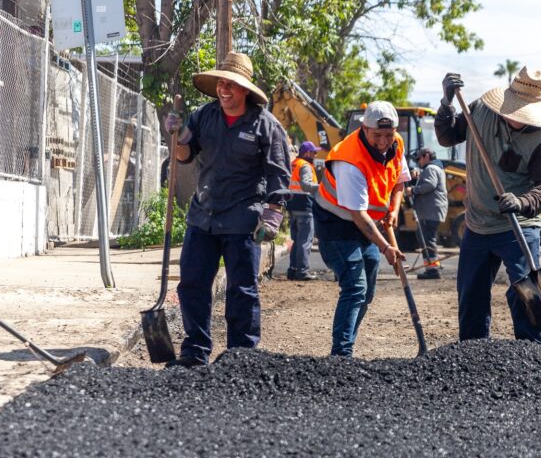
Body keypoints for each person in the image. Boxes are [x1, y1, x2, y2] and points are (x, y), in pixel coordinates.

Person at [164, 52, 292, 367]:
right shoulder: (203, 116)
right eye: (221, 83)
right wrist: (177, 135)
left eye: (231, 85)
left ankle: (241, 356)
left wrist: (273, 215)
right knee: (192, 283)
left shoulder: (266, 125)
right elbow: (184, 156)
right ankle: (195, 352)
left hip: (243, 218)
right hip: (203, 216)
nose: (224, 90)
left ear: (245, 89)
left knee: (241, 289)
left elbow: (279, 173)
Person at [435, 67, 541, 345]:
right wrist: (446, 104)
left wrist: (522, 201)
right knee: (471, 296)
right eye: (510, 109)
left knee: (525, 293)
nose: (511, 116)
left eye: (519, 112)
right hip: (478, 225)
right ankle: (473, 353)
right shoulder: (478, 111)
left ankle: (533, 354)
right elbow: (447, 137)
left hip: (519, 226)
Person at [313, 100, 411, 357]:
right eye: (377, 135)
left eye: (388, 135)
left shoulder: (396, 144)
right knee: (355, 287)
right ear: (364, 129)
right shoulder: (349, 158)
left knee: (367, 292)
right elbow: (357, 214)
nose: (383, 141)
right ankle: (341, 354)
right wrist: (387, 247)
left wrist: (394, 210)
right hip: (336, 224)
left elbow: (399, 181)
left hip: (368, 222)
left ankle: (346, 346)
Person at [405, 147, 448, 279]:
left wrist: (413, 190)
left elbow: (429, 184)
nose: (418, 162)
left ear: (426, 156)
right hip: (432, 211)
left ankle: (432, 269)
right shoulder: (434, 168)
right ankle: (432, 266)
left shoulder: (431, 169)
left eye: (419, 159)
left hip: (430, 211)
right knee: (426, 238)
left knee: (427, 240)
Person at [287, 141, 321, 280]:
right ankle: (302, 271)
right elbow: (306, 185)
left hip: (292, 204)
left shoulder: (294, 163)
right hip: (304, 205)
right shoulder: (305, 166)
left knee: (297, 240)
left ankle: (293, 270)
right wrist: (322, 187)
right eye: (314, 152)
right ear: (307, 153)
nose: (315, 154)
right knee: (305, 240)